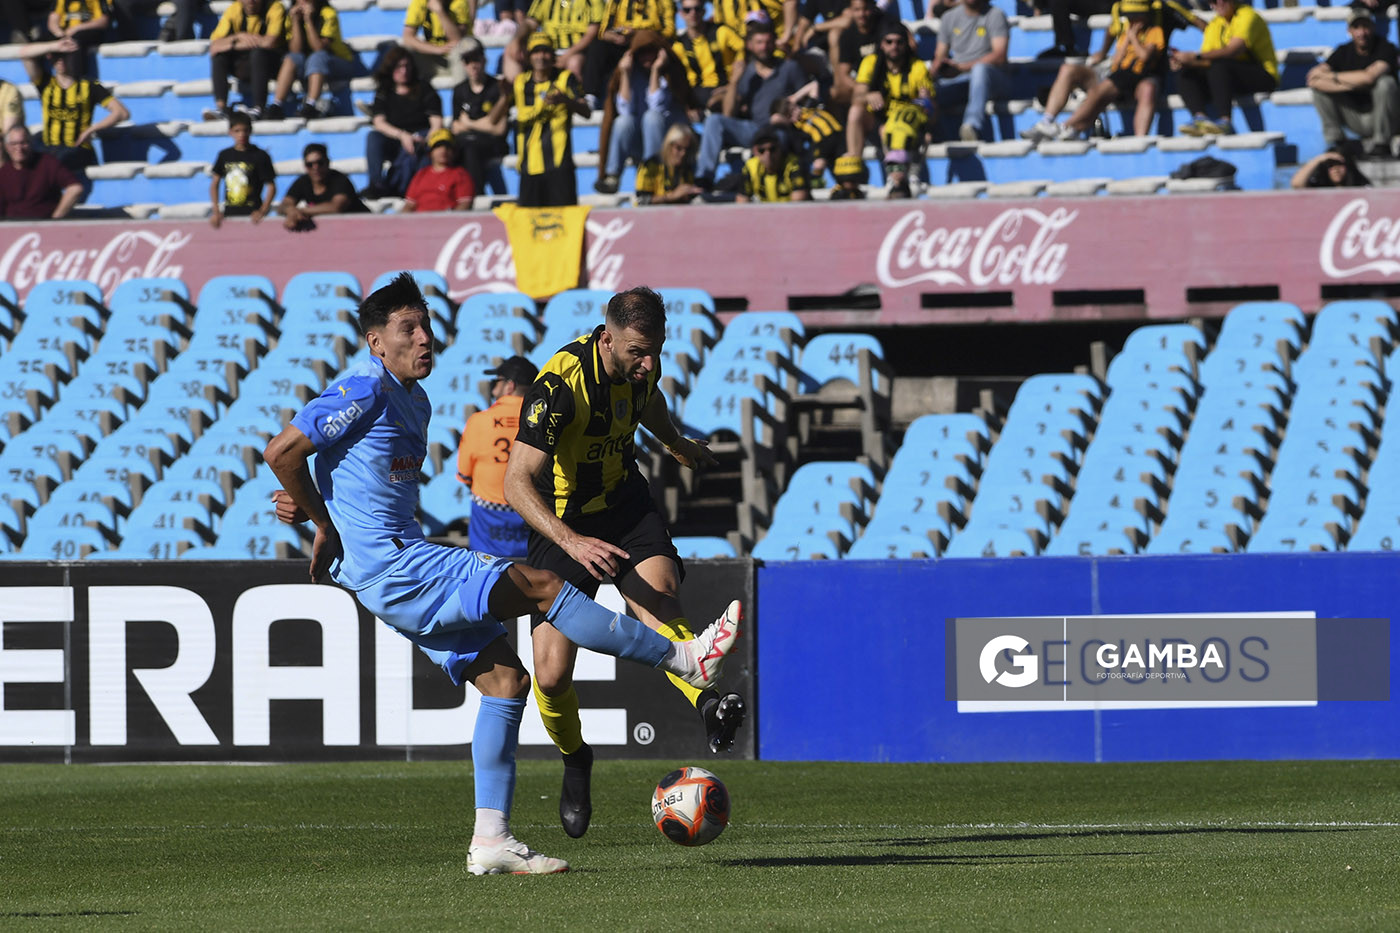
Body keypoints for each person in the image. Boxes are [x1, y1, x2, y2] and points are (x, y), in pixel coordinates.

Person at [264, 273, 741, 875]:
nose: (425, 337)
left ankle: (490, 841)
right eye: (407, 329)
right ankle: (684, 661)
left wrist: (320, 513)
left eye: (426, 324)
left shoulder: (414, 399)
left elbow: (346, 478)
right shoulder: (365, 388)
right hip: (398, 565)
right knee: (543, 586)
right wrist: (321, 522)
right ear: (375, 342)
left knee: (506, 683)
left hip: (388, 568)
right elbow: (283, 453)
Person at [503, 285, 748, 840]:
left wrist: (673, 441)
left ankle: (707, 703)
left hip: (625, 505)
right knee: (551, 672)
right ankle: (575, 759)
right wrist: (571, 542)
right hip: (563, 521)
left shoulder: (641, 368)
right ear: (606, 337)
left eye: (657, 349)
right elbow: (514, 484)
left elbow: (649, 400)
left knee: (658, 601)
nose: (650, 363)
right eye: (639, 351)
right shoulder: (560, 386)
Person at [694, 12, 806, 185]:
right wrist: (734, 81)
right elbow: (728, 113)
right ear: (750, 45)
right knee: (715, 121)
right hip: (753, 129)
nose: (764, 47)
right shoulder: (747, 73)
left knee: (777, 139)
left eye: (768, 42)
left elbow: (806, 100)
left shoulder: (790, 68)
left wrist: (793, 114)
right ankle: (704, 179)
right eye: (759, 43)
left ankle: (776, 182)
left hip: (781, 129)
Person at [1027, 0, 1164, 141]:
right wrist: (1117, 45)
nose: (1132, 20)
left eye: (1136, 16)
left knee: (1099, 92)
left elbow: (1145, 56)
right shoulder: (1124, 29)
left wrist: (1133, 38)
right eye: (1129, 16)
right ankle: (1048, 122)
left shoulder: (1154, 31)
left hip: (1136, 75)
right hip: (1119, 73)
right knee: (1069, 70)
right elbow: (1117, 60)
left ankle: (1067, 126)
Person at [488, 33, 590, 208]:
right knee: (531, 224)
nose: (541, 57)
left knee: (563, 221)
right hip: (529, 166)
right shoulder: (520, 83)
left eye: (546, 52)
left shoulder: (565, 79)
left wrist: (565, 100)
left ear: (553, 56)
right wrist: (504, 97)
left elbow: (586, 111)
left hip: (559, 164)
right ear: (529, 57)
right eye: (536, 52)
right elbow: (493, 119)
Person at [457, 355, 539, 558]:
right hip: (534, 514)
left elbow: (464, 475)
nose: (493, 387)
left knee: (488, 578)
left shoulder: (479, 421)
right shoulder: (543, 422)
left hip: (490, 521)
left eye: (497, 381)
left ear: (509, 386)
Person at [595, 29, 689, 194]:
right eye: (641, 53)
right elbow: (624, 109)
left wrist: (655, 71)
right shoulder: (631, 73)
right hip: (638, 141)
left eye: (650, 52)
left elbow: (657, 106)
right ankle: (613, 176)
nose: (646, 57)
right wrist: (625, 74)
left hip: (667, 144)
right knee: (623, 121)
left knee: (651, 117)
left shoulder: (668, 73)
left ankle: (653, 173)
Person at [846, 21, 933, 193]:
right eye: (889, 42)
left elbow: (931, 111)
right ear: (881, 44)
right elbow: (856, 96)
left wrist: (926, 102)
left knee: (906, 132)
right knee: (856, 111)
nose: (894, 46)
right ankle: (854, 169)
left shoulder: (917, 67)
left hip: (907, 126)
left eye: (899, 42)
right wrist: (868, 95)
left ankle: (904, 177)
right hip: (879, 119)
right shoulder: (871, 62)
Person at [1169, 0, 1276, 136]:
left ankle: (1225, 121)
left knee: (1219, 65)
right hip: (1230, 76)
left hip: (1263, 75)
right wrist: (1184, 61)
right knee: (1187, 71)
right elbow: (1206, 61)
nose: (1215, 5)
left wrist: (1195, 57)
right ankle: (1199, 118)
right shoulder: (1215, 24)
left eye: (1219, 0)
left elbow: (1234, 50)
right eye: (1211, 2)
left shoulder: (1248, 15)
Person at [1306, 7, 1400, 160]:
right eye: (1356, 27)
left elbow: (1369, 77)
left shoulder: (1386, 48)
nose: (1361, 32)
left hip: (1385, 118)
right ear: (1349, 30)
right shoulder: (1343, 51)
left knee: (1385, 83)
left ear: (1373, 27)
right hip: (1355, 116)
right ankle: (1338, 143)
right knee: (1319, 92)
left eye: (1365, 26)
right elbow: (1313, 79)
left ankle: (1382, 143)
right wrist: (1354, 82)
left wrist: (1335, 77)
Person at [32, 39, 129, 172]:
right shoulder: (45, 83)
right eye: (57, 56)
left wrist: (91, 129)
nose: (60, 60)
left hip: (76, 148)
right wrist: (54, 46)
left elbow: (122, 113)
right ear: (50, 57)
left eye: (65, 56)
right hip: (49, 147)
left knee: (51, 164)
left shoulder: (88, 85)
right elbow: (25, 54)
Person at [363, 46, 443, 199]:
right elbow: (379, 122)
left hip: (420, 138)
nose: (404, 71)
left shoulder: (424, 88)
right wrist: (402, 136)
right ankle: (376, 184)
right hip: (395, 139)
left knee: (424, 149)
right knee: (373, 137)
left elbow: (436, 122)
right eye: (399, 67)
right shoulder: (384, 90)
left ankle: (414, 188)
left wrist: (424, 140)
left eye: (407, 66)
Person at [928, 0, 1011, 143]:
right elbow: (939, 56)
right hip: (960, 79)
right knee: (928, 94)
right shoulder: (949, 17)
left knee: (980, 70)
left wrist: (961, 68)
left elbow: (1000, 55)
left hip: (993, 78)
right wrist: (934, 72)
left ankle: (971, 126)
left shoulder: (995, 14)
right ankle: (929, 136)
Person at [267, 0, 360, 119]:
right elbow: (295, 50)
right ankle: (276, 105)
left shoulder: (328, 13)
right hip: (309, 64)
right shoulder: (291, 15)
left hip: (339, 63)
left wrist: (308, 20)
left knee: (318, 57)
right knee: (291, 58)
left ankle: (311, 105)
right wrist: (295, 22)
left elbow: (319, 47)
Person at [202, 0, 288, 121]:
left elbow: (270, 41)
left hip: (272, 64)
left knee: (258, 53)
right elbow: (215, 46)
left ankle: (259, 108)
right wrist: (238, 37)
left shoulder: (275, 8)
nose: (251, 1)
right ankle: (222, 108)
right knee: (219, 56)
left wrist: (238, 43)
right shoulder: (234, 9)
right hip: (244, 63)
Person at [582, 0, 678, 105]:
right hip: (623, 44)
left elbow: (669, 31)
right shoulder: (616, 2)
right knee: (598, 45)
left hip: (650, 43)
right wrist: (615, 36)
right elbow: (603, 31)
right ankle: (591, 95)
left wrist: (637, 33)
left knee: (645, 40)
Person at [450, 37, 509, 195]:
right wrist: (486, 124)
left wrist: (469, 123)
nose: (473, 65)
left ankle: (474, 194)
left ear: (484, 60)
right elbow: (456, 127)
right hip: (469, 141)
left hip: (492, 144)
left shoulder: (497, 88)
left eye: (476, 60)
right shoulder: (459, 90)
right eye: (468, 61)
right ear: (463, 64)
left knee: (471, 148)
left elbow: (499, 129)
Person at [672, 0, 744, 114]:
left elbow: (744, 50)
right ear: (681, 14)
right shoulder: (679, 46)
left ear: (704, 11)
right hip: (698, 94)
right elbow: (678, 80)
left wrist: (731, 84)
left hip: (727, 86)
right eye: (687, 10)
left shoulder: (721, 32)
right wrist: (687, 105)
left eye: (697, 9)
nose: (693, 13)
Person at [510, 0, 605, 84]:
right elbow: (530, 23)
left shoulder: (593, 1)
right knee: (511, 51)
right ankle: (516, 95)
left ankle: (577, 97)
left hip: (577, 50)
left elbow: (593, 32)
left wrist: (567, 55)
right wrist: (516, 40)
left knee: (574, 62)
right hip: (548, 49)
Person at [209, 110, 276, 228]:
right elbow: (215, 183)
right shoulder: (224, 155)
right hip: (229, 214)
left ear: (250, 131)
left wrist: (262, 210)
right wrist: (216, 210)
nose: (242, 135)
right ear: (230, 132)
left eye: (245, 130)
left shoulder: (260, 155)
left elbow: (271, 186)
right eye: (237, 131)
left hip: (253, 215)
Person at [280, 141, 368, 231]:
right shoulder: (303, 181)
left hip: (362, 228)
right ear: (305, 166)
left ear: (328, 162)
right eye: (310, 165)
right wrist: (290, 210)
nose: (315, 168)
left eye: (320, 163)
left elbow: (336, 207)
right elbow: (284, 205)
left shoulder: (340, 180)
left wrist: (301, 211)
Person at [0, 125, 83, 219]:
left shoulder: (48, 163)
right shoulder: (4, 173)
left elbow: (75, 188)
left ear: (31, 144)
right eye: (14, 144)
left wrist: (56, 219)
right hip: (13, 228)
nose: (19, 148)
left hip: (45, 227)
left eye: (23, 143)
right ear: (6, 147)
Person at [770, 95, 843, 185]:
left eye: (795, 108)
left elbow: (813, 85)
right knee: (819, 163)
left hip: (838, 133)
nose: (796, 112)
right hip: (822, 141)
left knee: (842, 162)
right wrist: (782, 117)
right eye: (790, 114)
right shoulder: (796, 127)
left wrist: (793, 98)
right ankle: (815, 183)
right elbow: (775, 119)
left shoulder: (809, 107)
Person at [402, 127, 476, 211]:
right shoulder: (421, 174)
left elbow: (464, 205)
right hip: (419, 221)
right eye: (438, 147)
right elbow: (409, 205)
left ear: (454, 152)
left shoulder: (461, 175)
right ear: (430, 152)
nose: (443, 150)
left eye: (447, 147)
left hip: (447, 221)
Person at [402, 0, 472, 83]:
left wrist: (440, 11)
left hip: (455, 58)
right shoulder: (419, 2)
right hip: (432, 58)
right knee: (404, 50)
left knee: (465, 48)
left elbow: (457, 40)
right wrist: (437, 49)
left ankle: (462, 92)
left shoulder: (459, 2)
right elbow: (407, 38)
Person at [735, 123, 809, 200]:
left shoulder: (793, 164)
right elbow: (741, 200)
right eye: (762, 150)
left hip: (790, 211)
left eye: (772, 149)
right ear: (755, 151)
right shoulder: (750, 167)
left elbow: (799, 202)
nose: (768, 155)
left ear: (780, 148)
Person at [831, 0, 882, 109]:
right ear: (851, 11)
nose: (861, 14)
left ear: (872, 8)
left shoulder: (884, 25)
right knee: (836, 93)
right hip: (861, 80)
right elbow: (844, 74)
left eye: (865, 9)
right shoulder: (847, 36)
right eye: (857, 10)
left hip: (884, 78)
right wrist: (861, 89)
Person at [41, 0, 111, 79]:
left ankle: (76, 79)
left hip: (87, 33)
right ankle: (46, 79)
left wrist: (76, 28)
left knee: (74, 42)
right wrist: (61, 35)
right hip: (64, 34)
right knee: (47, 42)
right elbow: (52, 22)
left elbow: (103, 21)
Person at [634, 122, 702, 203]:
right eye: (679, 148)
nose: (683, 153)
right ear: (669, 145)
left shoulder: (687, 168)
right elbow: (640, 201)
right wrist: (672, 196)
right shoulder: (650, 165)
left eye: (687, 149)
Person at [1291, 146, 1371, 188]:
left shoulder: (1360, 187)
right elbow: (1297, 184)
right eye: (1330, 166)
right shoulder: (1321, 188)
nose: (1335, 170)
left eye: (1339, 165)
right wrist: (1319, 159)